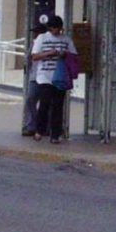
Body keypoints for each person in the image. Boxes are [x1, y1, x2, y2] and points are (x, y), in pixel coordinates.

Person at [30, 15, 77, 143]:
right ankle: (39, 131)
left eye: (59, 28)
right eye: (54, 28)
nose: (57, 31)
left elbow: (74, 55)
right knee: (44, 104)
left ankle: (55, 134)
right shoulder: (42, 38)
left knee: (58, 106)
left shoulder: (66, 40)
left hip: (60, 77)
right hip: (44, 76)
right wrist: (49, 53)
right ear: (50, 28)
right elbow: (34, 56)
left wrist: (64, 54)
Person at [21, 17, 48, 136]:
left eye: (37, 32)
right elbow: (28, 60)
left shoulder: (48, 44)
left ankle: (45, 127)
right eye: (35, 33)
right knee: (30, 99)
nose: (35, 35)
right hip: (34, 77)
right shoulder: (33, 44)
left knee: (47, 102)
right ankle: (31, 125)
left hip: (47, 77)